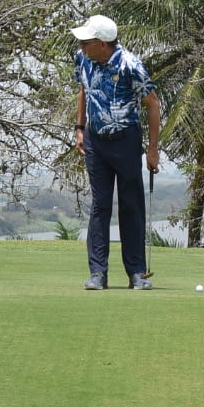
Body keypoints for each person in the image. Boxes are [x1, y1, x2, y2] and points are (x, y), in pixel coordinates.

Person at [72, 15, 160, 290]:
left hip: (126, 140)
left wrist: (153, 150)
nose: (81, 45)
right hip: (96, 142)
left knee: (130, 205)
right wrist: (79, 127)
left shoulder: (130, 65)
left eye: (87, 41)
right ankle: (98, 273)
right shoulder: (83, 58)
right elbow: (83, 90)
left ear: (102, 43)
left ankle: (135, 273)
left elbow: (153, 104)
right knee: (100, 206)